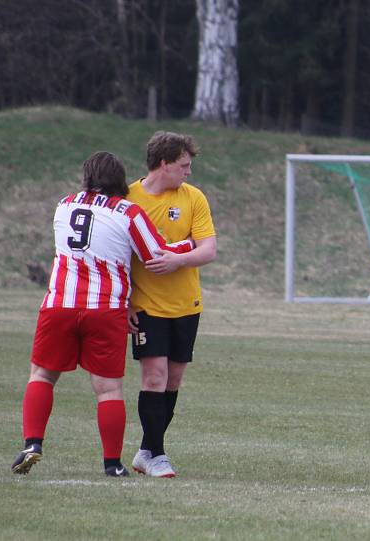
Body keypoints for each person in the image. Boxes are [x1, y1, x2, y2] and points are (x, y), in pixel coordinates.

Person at [11, 151, 194, 477]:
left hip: (59, 305)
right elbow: (154, 255)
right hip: (106, 309)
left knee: (41, 375)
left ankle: (32, 442)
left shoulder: (64, 205)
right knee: (108, 390)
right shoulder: (129, 212)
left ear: (87, 177)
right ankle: (112, 464)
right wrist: (188, 246)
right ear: (120, 180)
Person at [127, 131, 216, 478]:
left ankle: (146, 451)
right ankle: (158, 455)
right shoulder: (128, 199)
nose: (188, 172)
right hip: (146, 306)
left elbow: (208, 250)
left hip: (187, 304)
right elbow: (117, 257)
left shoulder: (193, 198)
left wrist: (178, 260)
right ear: (163, 164)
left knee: (172, 381)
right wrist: (125, 303)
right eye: (183, 166)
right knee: (154, 377)